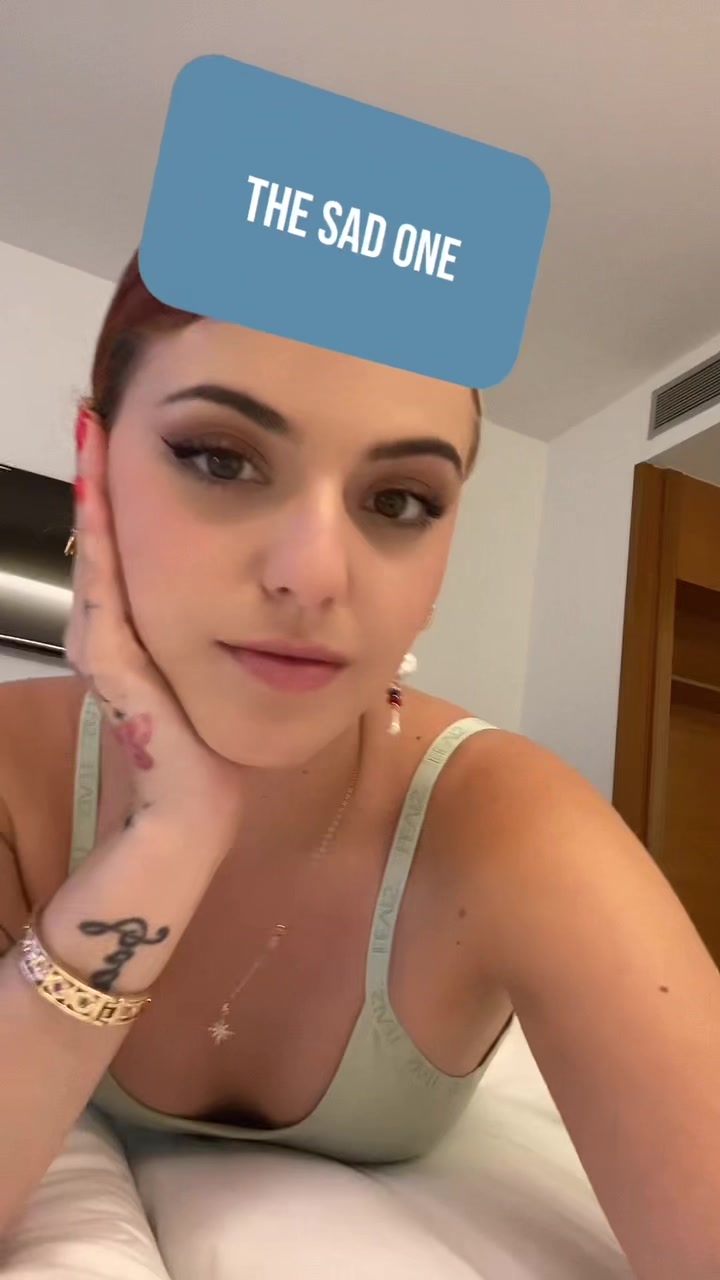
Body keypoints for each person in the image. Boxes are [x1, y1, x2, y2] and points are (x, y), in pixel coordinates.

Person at [0, 250, 718, 1279]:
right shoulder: (13, 767)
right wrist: (170, 838)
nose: (313, 574)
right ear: (95, 470)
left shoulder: (514, 824)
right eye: (220, 458)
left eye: (400, 500)